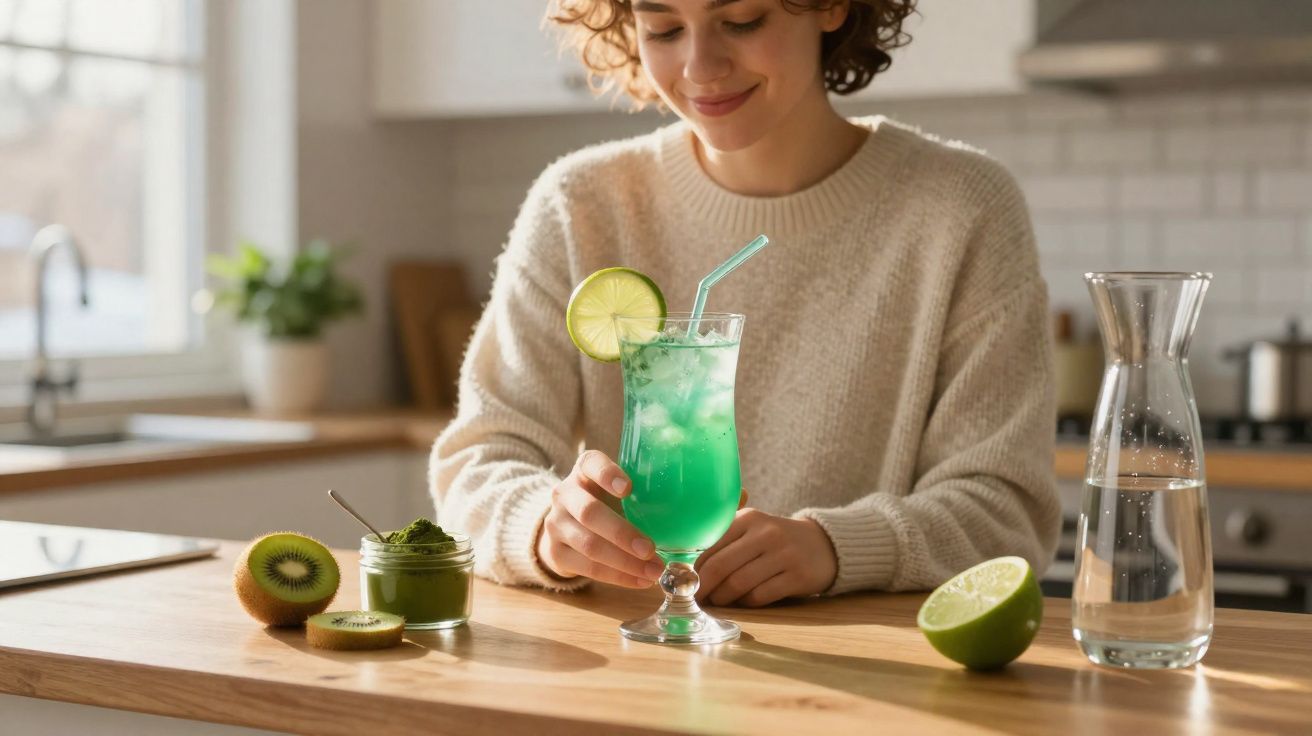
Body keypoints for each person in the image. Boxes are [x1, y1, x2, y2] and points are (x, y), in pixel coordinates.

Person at [430, 0, 1060, 607]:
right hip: (627, 670)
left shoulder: (964, 207)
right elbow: (480, 462)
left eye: (741, 21)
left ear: (830, 4)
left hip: (867, 680)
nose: (700, 67)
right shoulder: (580, 204)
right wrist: (547, 526)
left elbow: (1007, 514)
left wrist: (836, 548)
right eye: (663, 28)